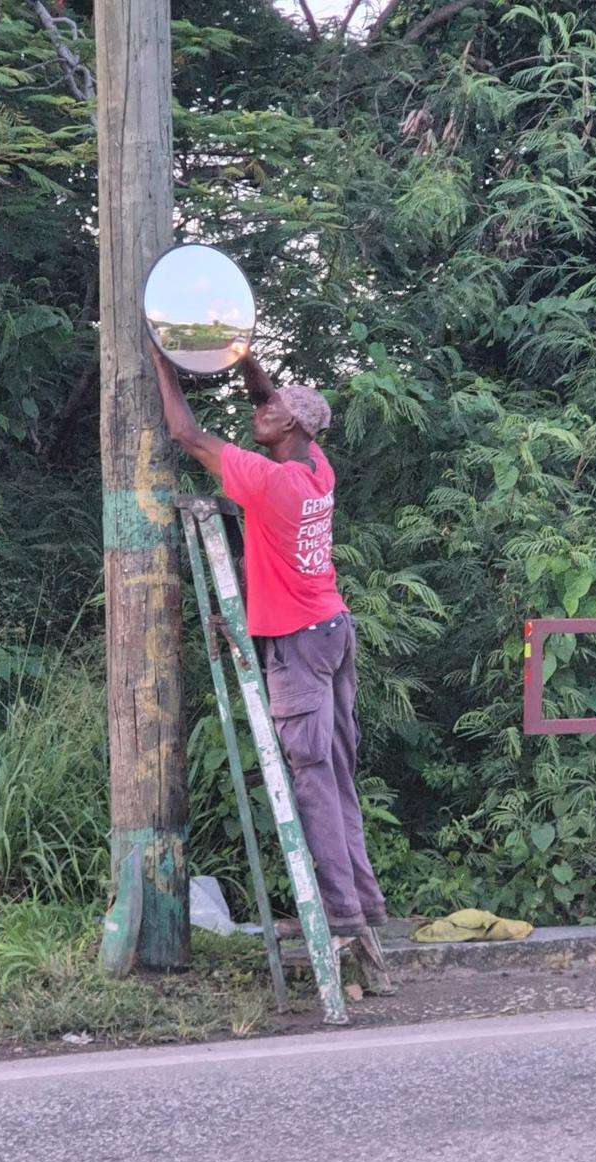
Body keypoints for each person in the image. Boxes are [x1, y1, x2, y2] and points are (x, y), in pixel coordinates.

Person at [150, 344, 388, 936]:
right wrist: (242, 356)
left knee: (311, 779)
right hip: (332, 629)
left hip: (298, 646)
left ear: (294, 426)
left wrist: (158, 355)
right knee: (336, 771)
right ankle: (366, 902)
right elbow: (265, 398)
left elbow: (184, 433)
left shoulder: (269, 482)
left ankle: (340, 914)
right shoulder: (315, 467)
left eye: (274, 408)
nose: (262, 409)